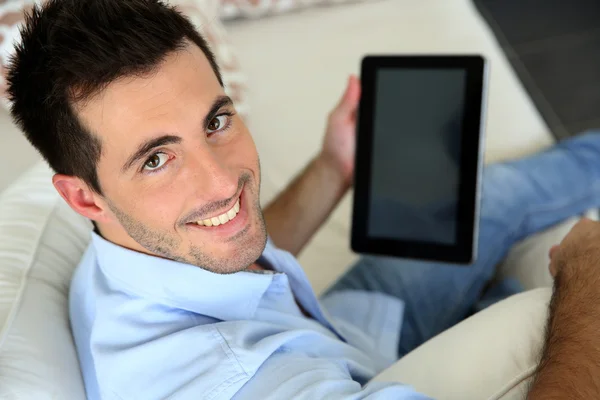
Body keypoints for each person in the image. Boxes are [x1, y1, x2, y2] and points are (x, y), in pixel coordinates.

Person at [6, 0, 600, 398]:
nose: (221, 182)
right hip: (347, 365)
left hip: (342, 327)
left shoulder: (131, 250)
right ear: (83, 198)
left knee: (491, 198)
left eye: (215, 122)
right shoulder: (242, 382)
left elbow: (225, 253)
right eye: (157, 159)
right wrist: (588, 293)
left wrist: (332, 168)